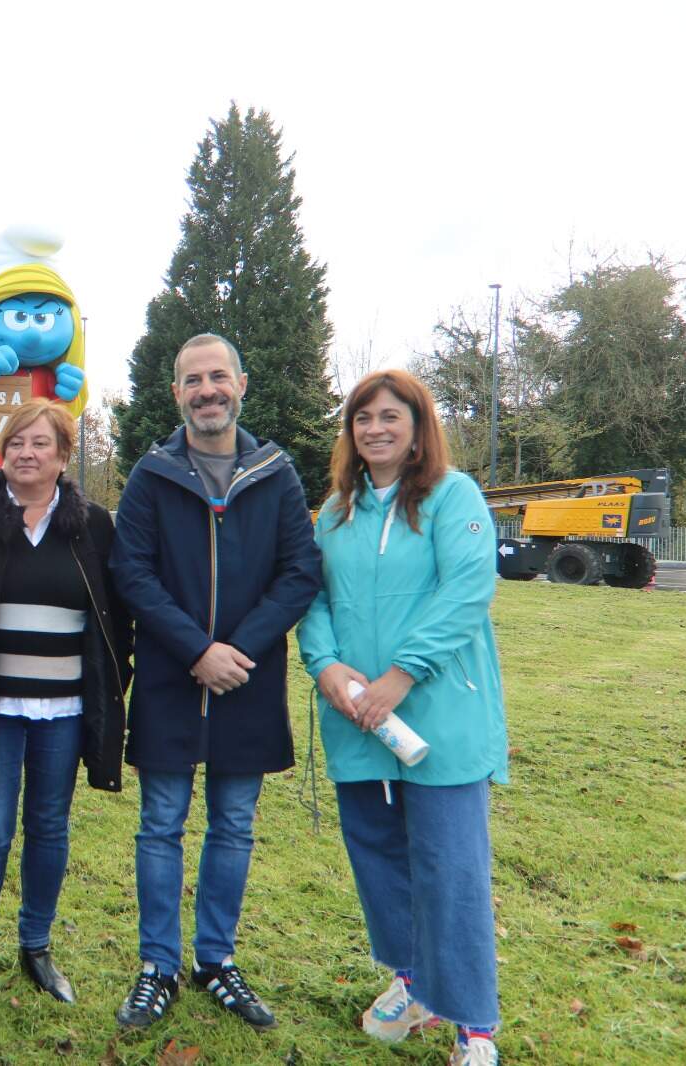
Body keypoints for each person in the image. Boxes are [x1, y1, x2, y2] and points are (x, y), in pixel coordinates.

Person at [108, 333, 322, 1031]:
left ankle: (216, 961)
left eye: (218, 377)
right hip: (174, 679)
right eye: (193, 380)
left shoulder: (276, 472)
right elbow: (131, 573)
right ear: (176, 394)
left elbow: (300, 572)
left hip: (248, 681)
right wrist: (197, 649)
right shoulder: (151, 475)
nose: (207, 390)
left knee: (233, 826)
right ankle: (157, 967)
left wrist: (239, 649)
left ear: (241, 384)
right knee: (160, 826)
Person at [297, 369, 506, 1066]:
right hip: (358, 721)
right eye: (363, 418)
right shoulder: (334, 513)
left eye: (391, 416)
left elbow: (469, 587)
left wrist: (400, 675)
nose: (375, 428)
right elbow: (313, 596)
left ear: (418, 428)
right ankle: (413, 984)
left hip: (437, 719)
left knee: (449, 867)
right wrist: (325, 665)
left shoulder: (453, 497)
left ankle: (472, 1024)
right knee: (379, 858)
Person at [0, 399, 132, 1020]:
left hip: (64, 713)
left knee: (49, 827)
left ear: (63, 456)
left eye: (41, 444)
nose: (26, 453)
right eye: (16, 443)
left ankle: (35, 947)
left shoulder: (92, 523)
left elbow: (116, 615)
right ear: (1, 453)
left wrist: (116, 680)